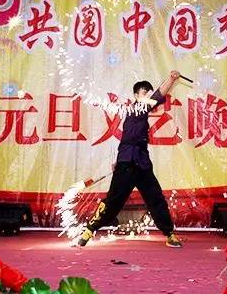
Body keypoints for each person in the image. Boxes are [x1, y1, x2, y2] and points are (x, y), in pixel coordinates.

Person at [78, 71, 183, 248]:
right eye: (144, 93)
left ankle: (169, 233)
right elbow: (158, 95)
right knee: (112, 202)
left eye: (149, 93)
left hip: (142, 164)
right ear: (135, 96)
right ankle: (89, 230)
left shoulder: (140, 114)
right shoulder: (135, 110)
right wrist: (171, 79)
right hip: (126, 164)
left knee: (156, 199)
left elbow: (155, 98)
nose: (148, 96)